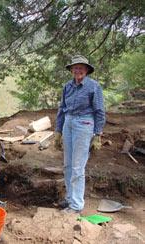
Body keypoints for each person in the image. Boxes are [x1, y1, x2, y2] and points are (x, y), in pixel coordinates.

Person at [54, 55, 105, 214]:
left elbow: (99, 111)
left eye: (81, 68)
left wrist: (97, 134)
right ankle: (70, 199)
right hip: (69, 122)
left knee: (77, 166)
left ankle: (76, 206)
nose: (78, 70)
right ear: (71, 70)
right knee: (68, 165)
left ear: (87, 70)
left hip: (84, 124)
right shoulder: (67, 86)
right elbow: (62, 109)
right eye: (75, 68)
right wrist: (58, 130)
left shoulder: (93, 87)